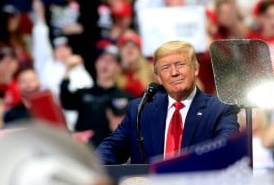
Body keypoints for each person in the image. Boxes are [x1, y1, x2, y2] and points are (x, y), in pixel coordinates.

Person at [95, 40, 240, 164]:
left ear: (195, 69)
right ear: (158, 77)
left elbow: (226, 150)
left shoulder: (219, 109)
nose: (174, 72)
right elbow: (112, 149)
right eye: (165, 68)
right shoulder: (141, 109)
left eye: (180, 64)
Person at [60, 44, 135, 148]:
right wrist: (67, 70)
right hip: (85, 151)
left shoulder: (128, 99)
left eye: (111, 61)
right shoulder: (83, 93)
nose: (105, 63)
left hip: (110, 155)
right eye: (102, 59)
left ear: (119, 68)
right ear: (96, 63)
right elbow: (66, 102)